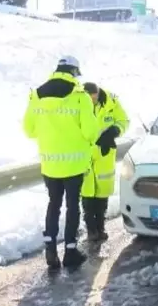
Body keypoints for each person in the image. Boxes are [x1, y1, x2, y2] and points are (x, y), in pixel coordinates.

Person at [23, 55, 99, 270]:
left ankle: (50, 248)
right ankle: (71, 251)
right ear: (74, 72)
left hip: (50, 163)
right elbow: (90, 132)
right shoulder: (79, 96)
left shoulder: (36, 95)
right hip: (74, 165)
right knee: (72, 206)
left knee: (53, 204)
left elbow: (29, 130)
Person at [80, 82, 129, 241]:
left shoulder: (111, 102)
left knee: (102, 193)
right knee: (87, 193)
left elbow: (123, 120)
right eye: (90, 100)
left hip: (104, 154)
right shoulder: (78, 101)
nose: (92, 102)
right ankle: (91, 229)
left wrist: (114, 132)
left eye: (94, 99)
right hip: (84, 155)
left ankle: (100, 226)